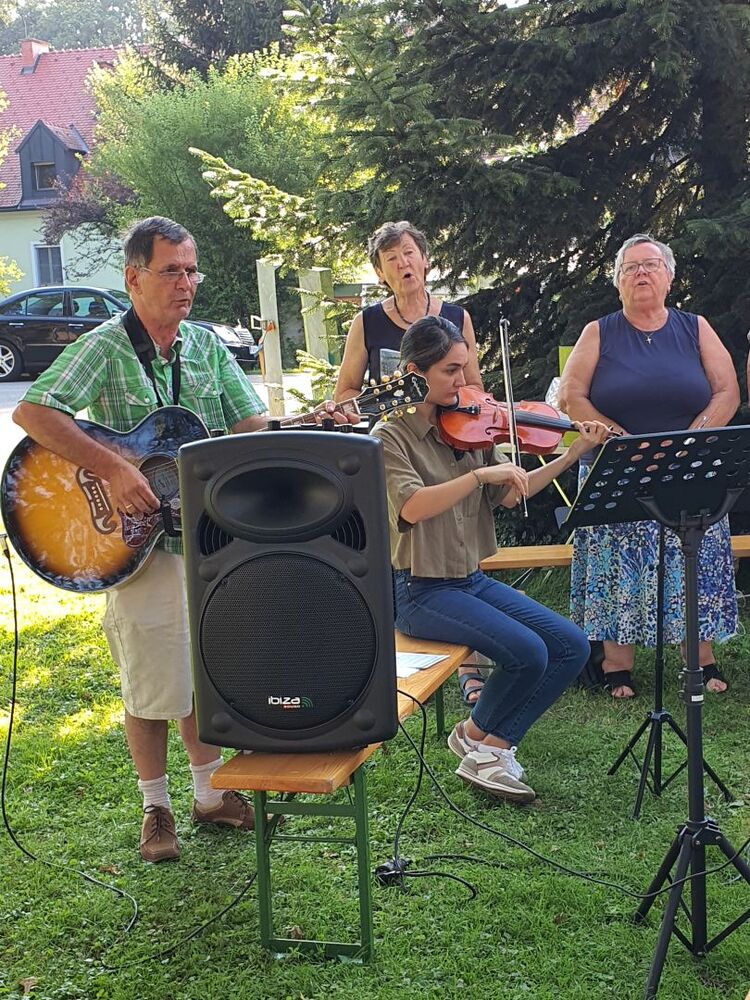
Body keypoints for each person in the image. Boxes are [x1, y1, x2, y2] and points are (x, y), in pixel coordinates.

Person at [14, 217, 267, 863]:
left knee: (204, 674)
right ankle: (156, 808)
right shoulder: (105, 345)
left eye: (192, 270)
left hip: (203, 538)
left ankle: (210, 795)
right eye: (171, 271)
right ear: (134, 278)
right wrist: (114, 468)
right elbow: (33, 412)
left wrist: (308, 423)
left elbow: (251, 427)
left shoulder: (205, 346)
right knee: (152, 683)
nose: (186, 283)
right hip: (133, 543)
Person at [372, 315, 610, 802]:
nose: (464, 381)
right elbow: (412, 507)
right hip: (419, 589)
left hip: (469, 579)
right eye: (450, 371)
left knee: (570, 644)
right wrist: (479, 477)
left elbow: (512, 492)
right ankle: (489, 752)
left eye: (464, 367)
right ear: (415, 372)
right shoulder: (389, 435)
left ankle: (481, 739)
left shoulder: (468, 424)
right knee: (528, 652)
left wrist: (570, 455)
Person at [558, 233, 740, 698]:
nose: (641, 273)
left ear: (669, 277)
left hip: (689, 464)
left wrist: (690, 440)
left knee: (694, 557)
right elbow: (572, 395)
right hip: (619, 465)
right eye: (630, 267)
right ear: (618, 281)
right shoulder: (598, 332)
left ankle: (700, 658)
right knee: (619, 565)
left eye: (651, 265)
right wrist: (627, 444)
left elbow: (727, 391)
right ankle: (616, 663)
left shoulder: (696, 327)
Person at [335, 219, 486, 705]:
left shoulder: (456, 316)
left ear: (424, 259)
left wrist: (460, 411)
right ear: (380, 272)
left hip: (449, 439)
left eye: (408, 253)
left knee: (459, 557)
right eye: (391, 258)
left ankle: (470, 667)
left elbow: (474, 385)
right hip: (399, 443)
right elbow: (346, 390)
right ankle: (395, 661)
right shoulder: (367, 322)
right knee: (403, 550)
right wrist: (367, 407)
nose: (403, 263)